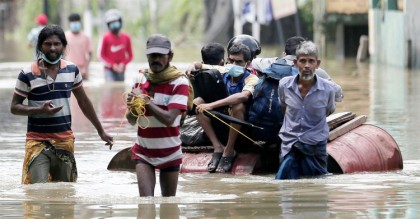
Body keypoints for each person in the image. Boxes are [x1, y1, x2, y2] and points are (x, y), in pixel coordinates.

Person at [10, 24, 114, 184]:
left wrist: (101, 131)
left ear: (64, 46)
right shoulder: (27, 74)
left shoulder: (72, 70)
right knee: (37, 196)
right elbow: (15, 107)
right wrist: (39, 110)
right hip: (37, 141)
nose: (52, 48)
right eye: (48, 44)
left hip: (64, 141)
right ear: (40, 46)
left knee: (65, 195)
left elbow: (84, 102)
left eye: (57, 44)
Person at [126, 34, 190, 197]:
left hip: (170, 152)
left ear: (170, 56)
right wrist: (132, 106)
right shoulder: (139, 79)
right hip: (144, 151)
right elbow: (131, 120)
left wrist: (145, 101)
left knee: (168, 204)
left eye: (160, 55)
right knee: (146, 205)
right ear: (147, 56)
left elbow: (169, 119)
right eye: (152, 55)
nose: (156, 59)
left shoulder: (180, 82)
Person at [275, 41, 336, 180]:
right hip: (289, 144)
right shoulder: (284, 85)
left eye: (311, 61)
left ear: (317, 64)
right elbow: (284, 108)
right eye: (302, 61)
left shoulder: (328, 89)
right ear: (296, 63)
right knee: (285, 186)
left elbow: (329, 110)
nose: (307, 65)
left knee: (317, 188)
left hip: (315, 145)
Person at [195, 43, 258, 173]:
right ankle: (217, 146)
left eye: (239, 62)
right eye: (231, 60)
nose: (234, 64)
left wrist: (211, 105)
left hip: (242, 127)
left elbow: (243, 96)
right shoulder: (223, 71)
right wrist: (192, 68)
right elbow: (198, 65)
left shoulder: (252, 78)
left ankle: (229, 150)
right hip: (222, 121)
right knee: (197, 101)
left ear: (248, 63)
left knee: (238, 105)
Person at [252, 36, 343, 102]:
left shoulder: (270, 64)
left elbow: (252, 61)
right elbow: (338, 94)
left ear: (284, 54)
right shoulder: (315, 71)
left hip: (267, 116)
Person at [98, 9, 133, 82]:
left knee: (121, 92)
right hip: (109, 71)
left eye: (115, 22)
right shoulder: (105, 37)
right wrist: (113, 65)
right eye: (111, 23)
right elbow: (101, 56)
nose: (114, 25)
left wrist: (123, 64)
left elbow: (130, 56)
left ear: (120, 22)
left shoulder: (126, 38)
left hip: (121, 70)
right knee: (110, 90)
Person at [64, 13, 93, 80]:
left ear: (80, 23)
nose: (75, 24)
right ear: (69, 23)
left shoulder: (85, 37)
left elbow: (90, 53)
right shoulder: (65, 36)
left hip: (82, 70)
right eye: (73, 22)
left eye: (76, 21)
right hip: (69, 69)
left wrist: (86, 69)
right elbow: (62, 53)